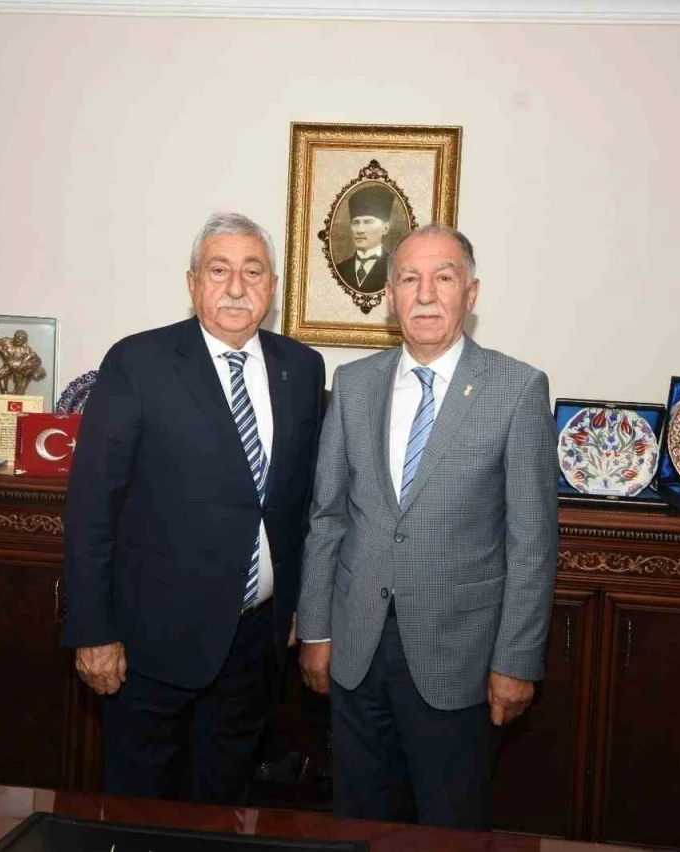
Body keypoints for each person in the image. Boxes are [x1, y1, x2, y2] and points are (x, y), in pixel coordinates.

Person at [298, 224, 558, 829]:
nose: (425, 294)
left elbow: (532, 544)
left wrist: (517, 659)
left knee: (450, 825)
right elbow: (327, 517)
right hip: (357, 650)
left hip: (460, 657)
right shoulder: (353, 385)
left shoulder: (517, 389)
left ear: (471, 292)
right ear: (390, 296)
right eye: (409, 279)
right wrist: (315, 629)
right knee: (358, 822)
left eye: (444, 277)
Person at [62, 212, 326, 803]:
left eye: (252, 271)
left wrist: (299, 607)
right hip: (151, 644)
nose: (236, 287)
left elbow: (302, 505)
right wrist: (93, 631)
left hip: (256, 643)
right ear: (192, 282)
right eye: (218, 270)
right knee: (141, 812)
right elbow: (91, 508)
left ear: (272, 286)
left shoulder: (302, 368)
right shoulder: (138, 363)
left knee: (223, 808)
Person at [333, 184, 397, 294]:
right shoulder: (339, 270)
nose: (360, 230)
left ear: (385, 228)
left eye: (368, 222)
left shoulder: (395, 269)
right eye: (355, 222)